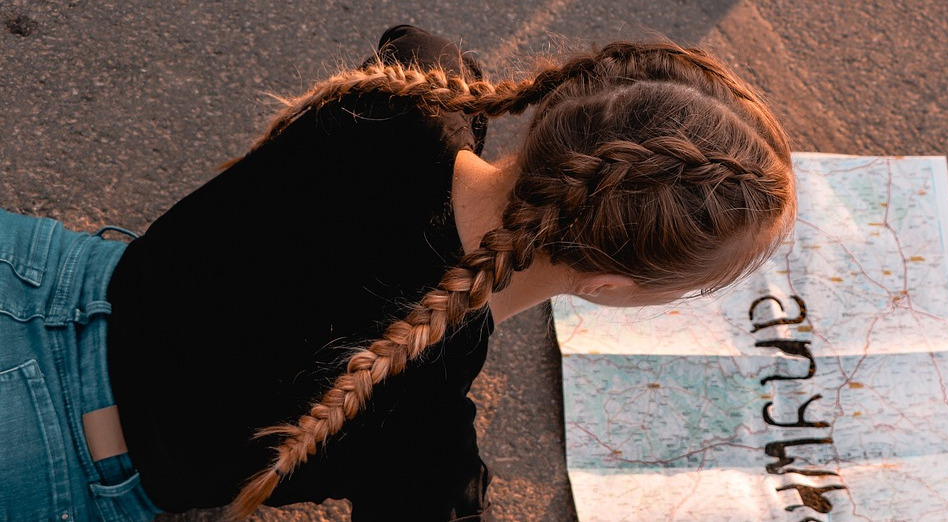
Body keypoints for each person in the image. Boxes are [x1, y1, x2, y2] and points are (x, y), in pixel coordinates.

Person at [0, 24, 795, 521]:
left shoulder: (401, 103)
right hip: (52, 451)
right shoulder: (422, 418)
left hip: (42, 273)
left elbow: (419, 42)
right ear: (608, 287)